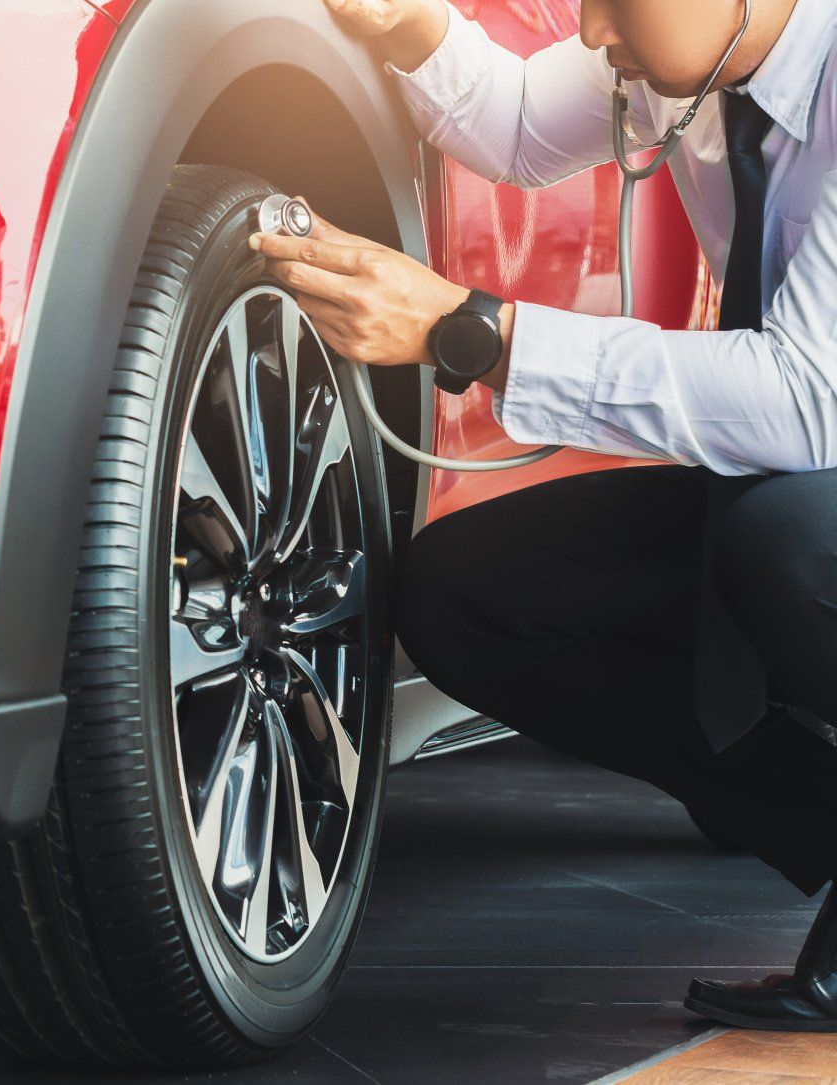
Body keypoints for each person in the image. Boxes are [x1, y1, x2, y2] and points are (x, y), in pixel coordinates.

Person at [264, 0, 837, 1032]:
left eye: (616, 4)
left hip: (813, 472)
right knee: (467, 595)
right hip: (801, 479)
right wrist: (399, 23)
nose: (590, 31)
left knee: (786, 543)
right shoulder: (693, 61)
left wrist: (471, 331)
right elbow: (521, 126)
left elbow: (809, 400)